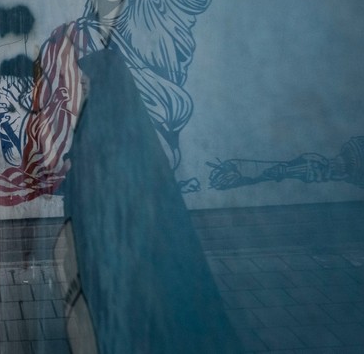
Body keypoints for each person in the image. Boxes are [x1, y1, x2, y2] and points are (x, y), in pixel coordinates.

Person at [0, 0, 214, 205]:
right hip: (84, 152)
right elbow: (47, 104)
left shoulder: (154, 17)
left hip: (147, 140)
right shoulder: (65, 39)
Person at [60, 49, 240, 353]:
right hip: (113, 244)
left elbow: (109, 187)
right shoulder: (116, 123)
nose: (84, 90)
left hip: (118, 247)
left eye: (88, 84)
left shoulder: (109, 128)